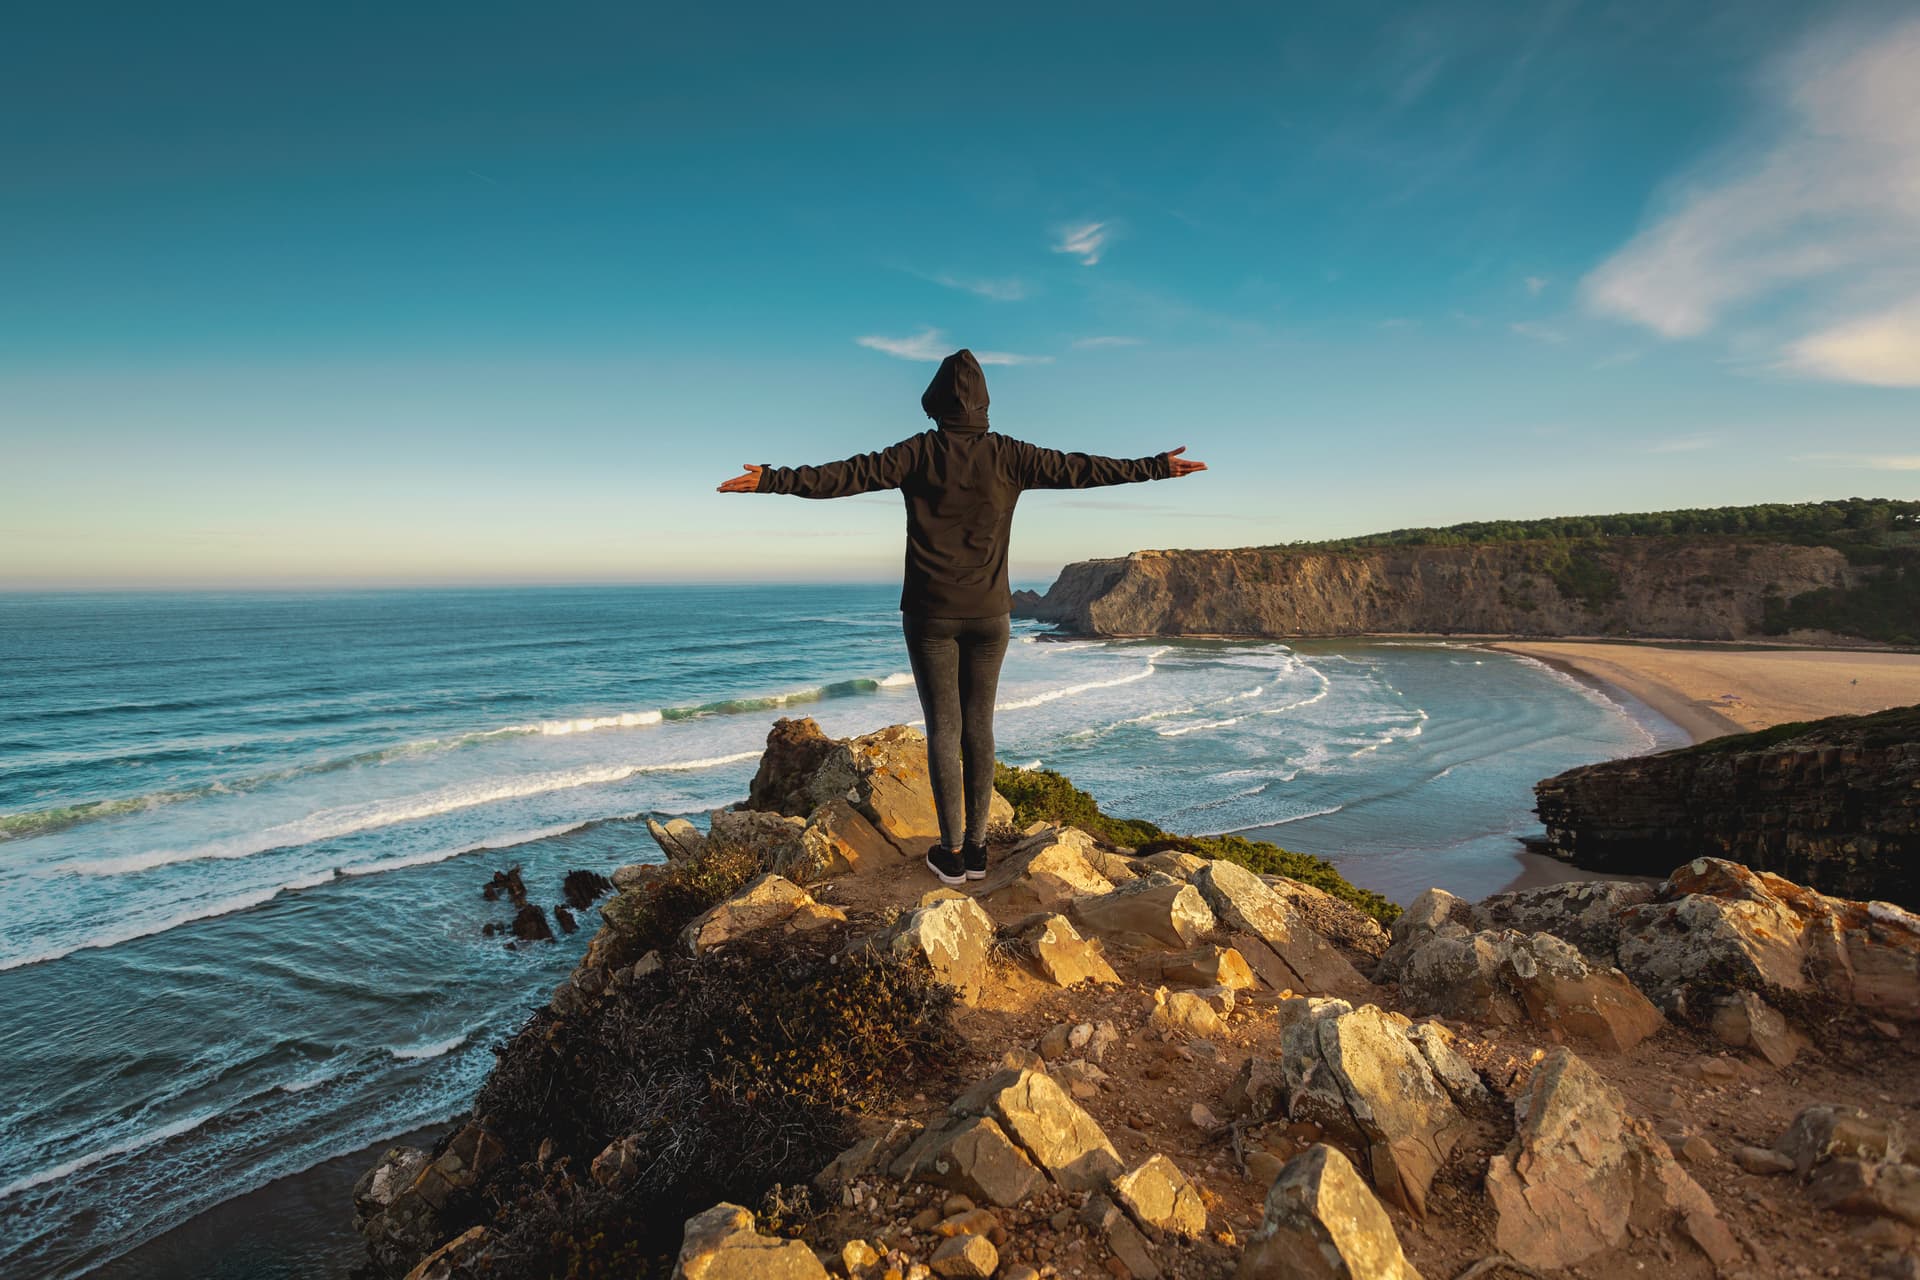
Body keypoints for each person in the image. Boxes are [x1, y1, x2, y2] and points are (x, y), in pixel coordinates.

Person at [718, 348, 1205, 886]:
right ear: (985, 403)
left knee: (943, 729)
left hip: (930, 614)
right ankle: (976, 851)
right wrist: (1155, 468)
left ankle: (950, 854)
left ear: (935, 402)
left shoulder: (918, 453)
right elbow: (1085, 469)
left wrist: (771, 479)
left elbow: (844, 476)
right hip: (992, 616)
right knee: (980, 728)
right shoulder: (1011, 455)